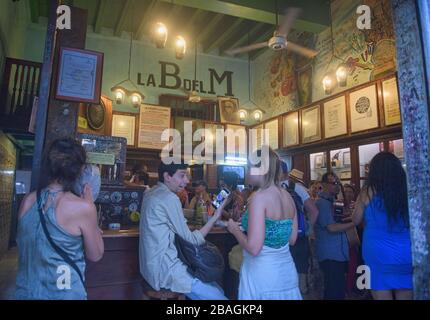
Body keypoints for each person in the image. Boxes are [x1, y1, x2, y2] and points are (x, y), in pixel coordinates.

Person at [15, 138, 104, 300]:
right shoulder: (82, 207)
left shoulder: (27, 201)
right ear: (79, 170)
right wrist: (90, 206)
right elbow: (96, 254)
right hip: (65, 294)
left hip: (26, 293)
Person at [139, 162, 228, 300]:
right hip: (165, 271)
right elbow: (192, 240)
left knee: (215, 289)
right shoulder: (169, 198)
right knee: (219, 296)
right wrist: (216, 216)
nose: (187, 180)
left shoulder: (151, 193)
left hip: (149, 269)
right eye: (182, 175)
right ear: (167, 176)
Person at [227, 148, 302, 300]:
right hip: (287, 273)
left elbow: (254, 248)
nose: (247, 170)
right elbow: (292, 239)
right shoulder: (288, 196)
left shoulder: (259, 198)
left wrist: (235, 230)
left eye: (250, 166)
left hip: (261, 273)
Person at [352, 152, 413, 300]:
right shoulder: (407, 189)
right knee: (405, 291)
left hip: (376, 251)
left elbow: (355, 219)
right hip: (406, 250)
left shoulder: (368, 190)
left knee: (380, 291)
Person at [315, 172, 355, 300]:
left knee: (336, 290)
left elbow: (338, 221)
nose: (338, 186)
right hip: (331, 256)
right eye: (334, 183)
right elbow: (331, 228)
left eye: (338, 183)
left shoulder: (334, 202)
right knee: (334, 292)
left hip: (339, 254)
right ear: (324, 185)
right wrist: (354, 222)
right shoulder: (322, 203)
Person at [280, 165, 318, 296]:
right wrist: (307, 228)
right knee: (301, 274)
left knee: (282, 280)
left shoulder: (268, 189)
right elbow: (314, 211)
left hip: (279, 241)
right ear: (287, 173)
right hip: (299, 238)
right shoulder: (298, 188)